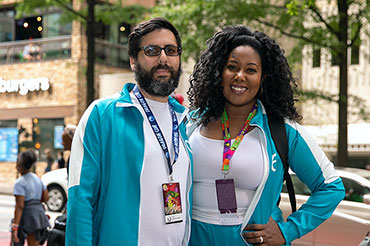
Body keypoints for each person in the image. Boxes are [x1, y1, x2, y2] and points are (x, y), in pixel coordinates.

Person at [186, 25, 345, 245]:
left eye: (251, 70)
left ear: (263, 78)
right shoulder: (191, 123)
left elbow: (331, 187)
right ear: (219, 73)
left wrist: (288, 231)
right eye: (232, 67)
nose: (240, 76)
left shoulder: (282, 131)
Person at [66, 17, 192, 246]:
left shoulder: (186, 121)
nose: (163, 58)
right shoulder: (102, 115)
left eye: (171, 50)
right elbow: (80, 199)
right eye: (152, 50)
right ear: (133, 60)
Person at [11, 149, 50, 246]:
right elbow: (46, 198)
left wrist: (15, 227)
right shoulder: (37, 178)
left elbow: (20, 206)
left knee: (16, 242)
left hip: (27, 215)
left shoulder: (19, 183)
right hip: (38, 215)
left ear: (19, 165)